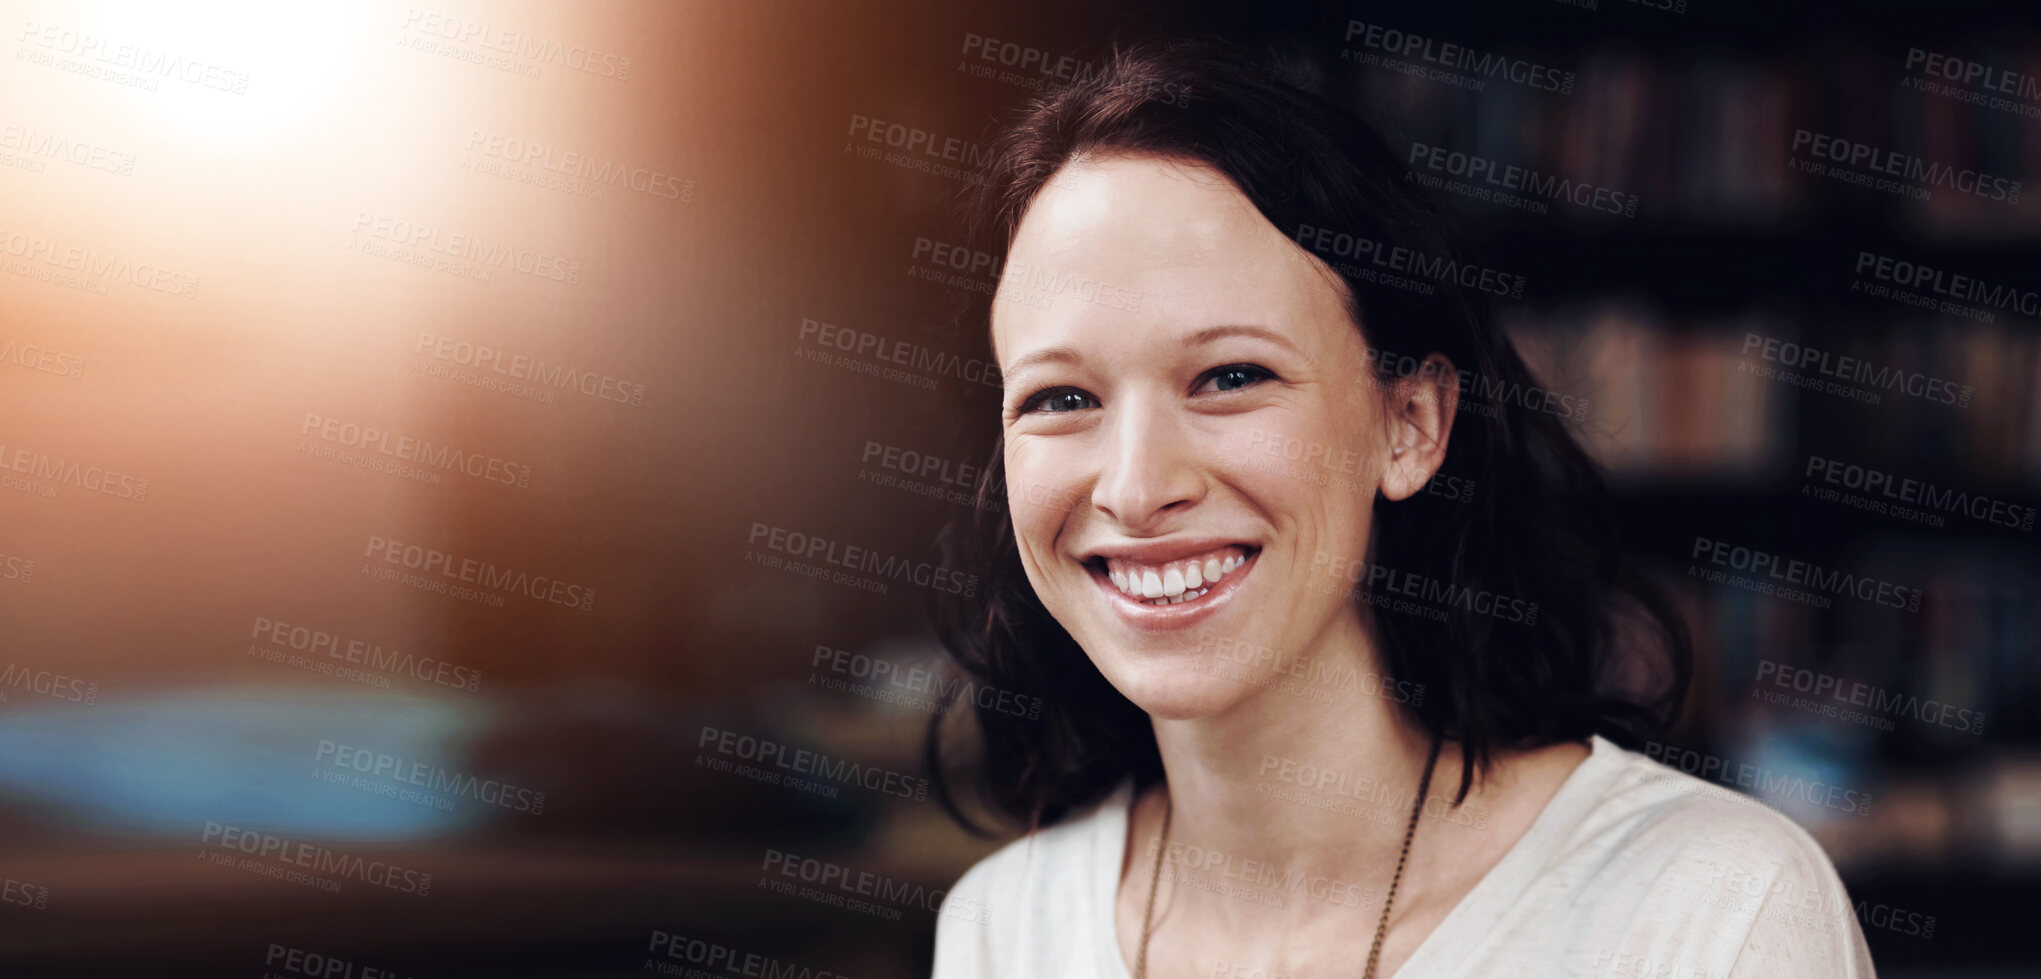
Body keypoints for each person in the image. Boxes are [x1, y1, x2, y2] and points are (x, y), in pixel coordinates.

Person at [923, 36, 1877, 979]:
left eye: (1229, 376)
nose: (1135, 487)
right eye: (1059, 398)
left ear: (1410, 424)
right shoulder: (1001, 928)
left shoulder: (1716, 909)